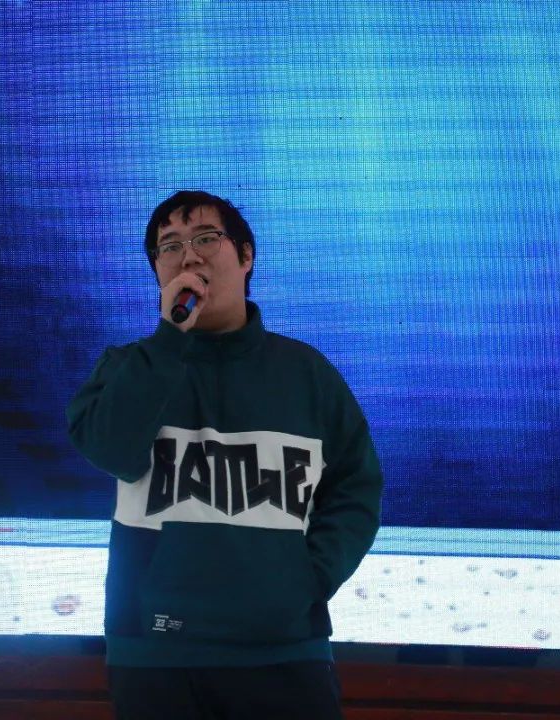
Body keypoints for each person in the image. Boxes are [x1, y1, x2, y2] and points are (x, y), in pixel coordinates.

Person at [67, 190, 382, 720]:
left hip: (283, 651)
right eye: (169, 247)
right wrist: (169, 342)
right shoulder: (128, 367)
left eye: (206, 239)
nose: (188, 256)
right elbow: (110, 450)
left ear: (246, 255)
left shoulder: (306, 374)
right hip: (155, 653)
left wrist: (305, 582)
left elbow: (356, 488)